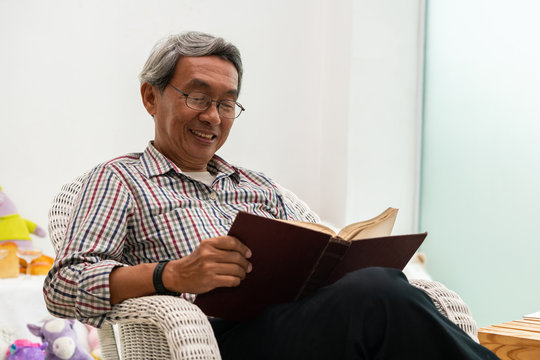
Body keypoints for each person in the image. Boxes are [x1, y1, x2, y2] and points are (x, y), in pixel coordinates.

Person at [43, 31, 498, 359]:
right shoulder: (119, 179)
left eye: (226, 103)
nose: (213, 117)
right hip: (219, 340)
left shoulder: (257, 185)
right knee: (377, 293)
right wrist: (174, 275)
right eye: (198, 98)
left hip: (303, 326)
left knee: (379, 286)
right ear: (150, 97)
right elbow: (63, 285)